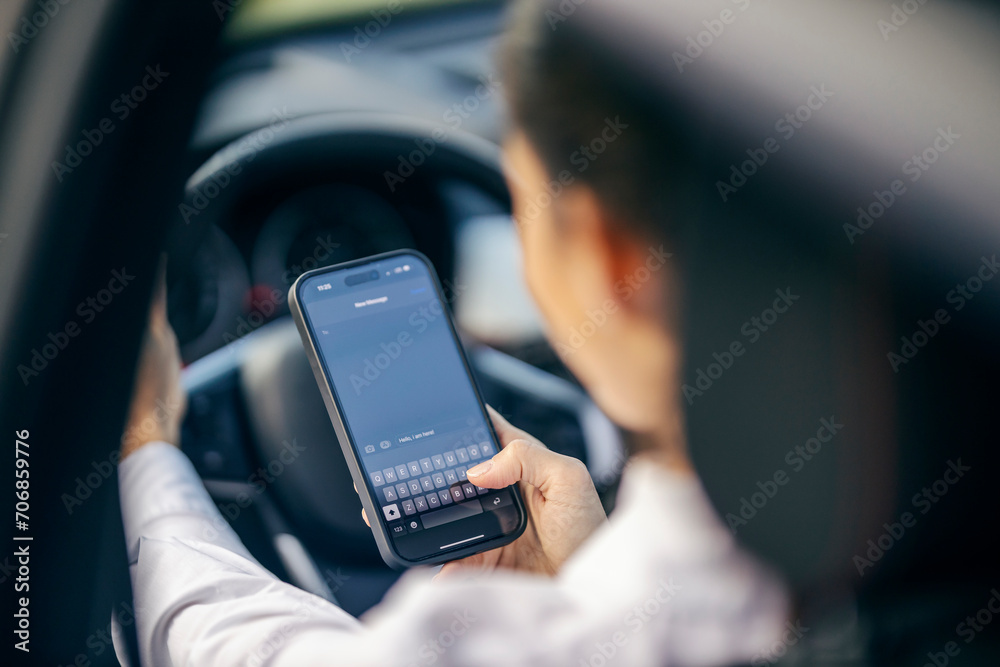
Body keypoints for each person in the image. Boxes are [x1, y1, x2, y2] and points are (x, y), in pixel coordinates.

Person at [117, 2, 789, 665]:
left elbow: (231, 645)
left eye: (522, 205)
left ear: (606, 258)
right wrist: (584, 566)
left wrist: (146, 442)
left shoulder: (498, 642)